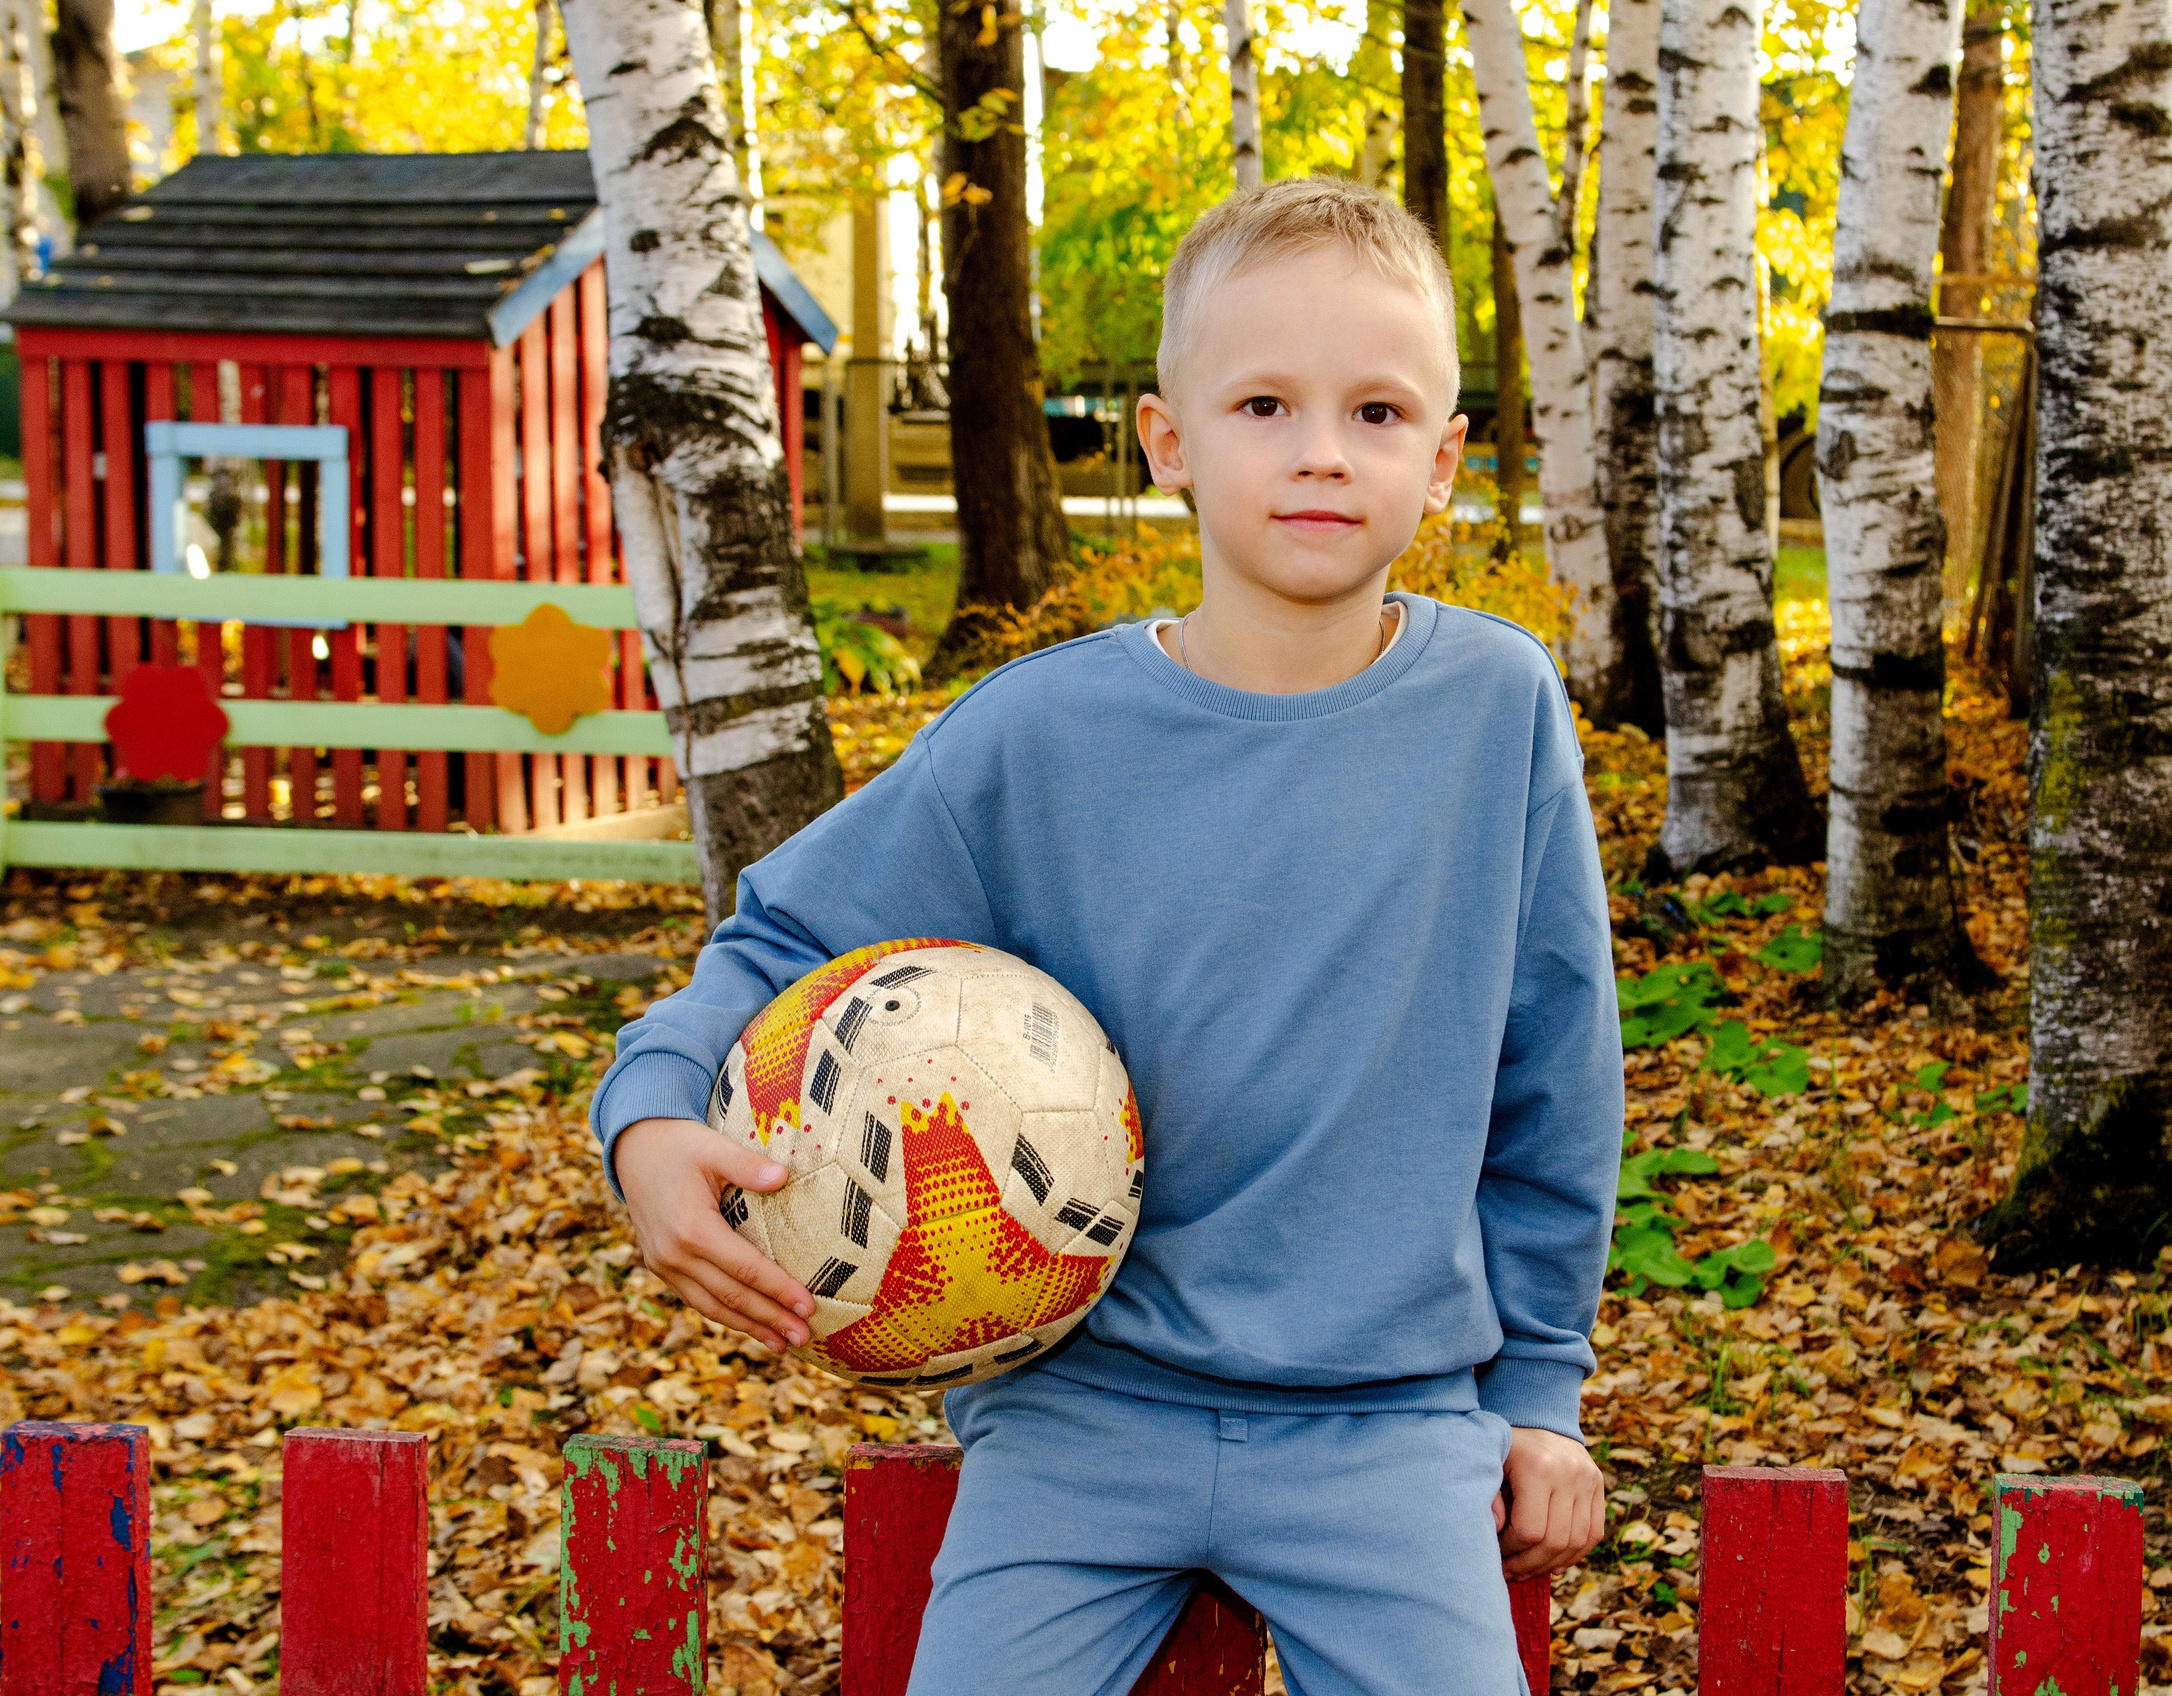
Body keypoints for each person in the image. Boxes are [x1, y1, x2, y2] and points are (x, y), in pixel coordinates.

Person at [591, 177, 1622, 1694]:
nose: (1323, 452)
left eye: (1378, 413)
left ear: (1446, 461)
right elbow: (784, 933)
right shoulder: (1042, 734)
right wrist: (648, 1118)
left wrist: (1538, 1389)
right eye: (1264, 404)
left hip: (1387, 1427)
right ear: (1168, 441)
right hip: (1076, 1417)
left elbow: (1558, 1074)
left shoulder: (1496, 710)